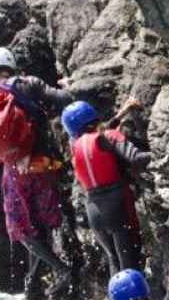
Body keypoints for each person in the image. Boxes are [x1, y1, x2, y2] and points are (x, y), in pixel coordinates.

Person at [0, 47, 75, 300]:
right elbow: (64, 98)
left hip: (14, 172)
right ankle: (35, 280)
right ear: (13, 66)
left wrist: (0, 154)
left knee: (24, 229)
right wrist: (69, 86)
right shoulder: (29, 84)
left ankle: (59, 271)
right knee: (44, 222)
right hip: (44, 165)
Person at [62, 99, 149, 274]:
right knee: (130, 265)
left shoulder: (75, 146)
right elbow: (136, 158)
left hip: (94, 211)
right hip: (116, 206)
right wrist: (163, 155)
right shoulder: (109, 136)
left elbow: (99, 136)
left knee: (115, 263)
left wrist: (121, 114)